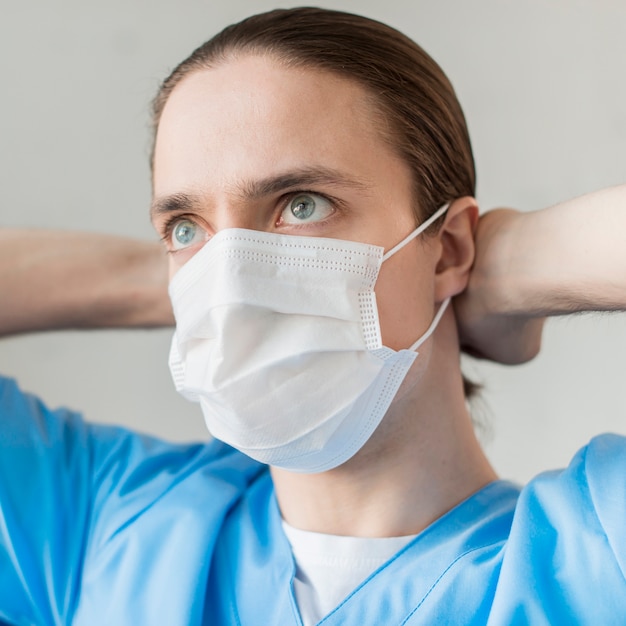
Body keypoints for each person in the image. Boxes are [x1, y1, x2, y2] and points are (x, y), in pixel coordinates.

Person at [1, 7, 625, 625]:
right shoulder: (108, 524)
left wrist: (510, 261)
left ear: (450, 247)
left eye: (302, 205)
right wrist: (194, 277)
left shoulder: (594, 560)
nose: (230, 281)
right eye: (185, 225)